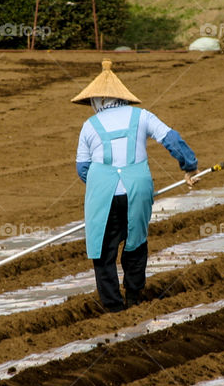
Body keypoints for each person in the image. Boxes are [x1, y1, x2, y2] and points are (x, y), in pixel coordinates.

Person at [72, 60, 198, 312]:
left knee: (103, 251)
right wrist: (189, 166)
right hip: (138, 191)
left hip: (103, 195)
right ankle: (133, 298)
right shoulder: (142, 116)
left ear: (97, 100)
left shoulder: (89, 126)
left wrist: (101, 185)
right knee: (136, 243)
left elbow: (82, 169)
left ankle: (113, 306)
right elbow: (171, 139)